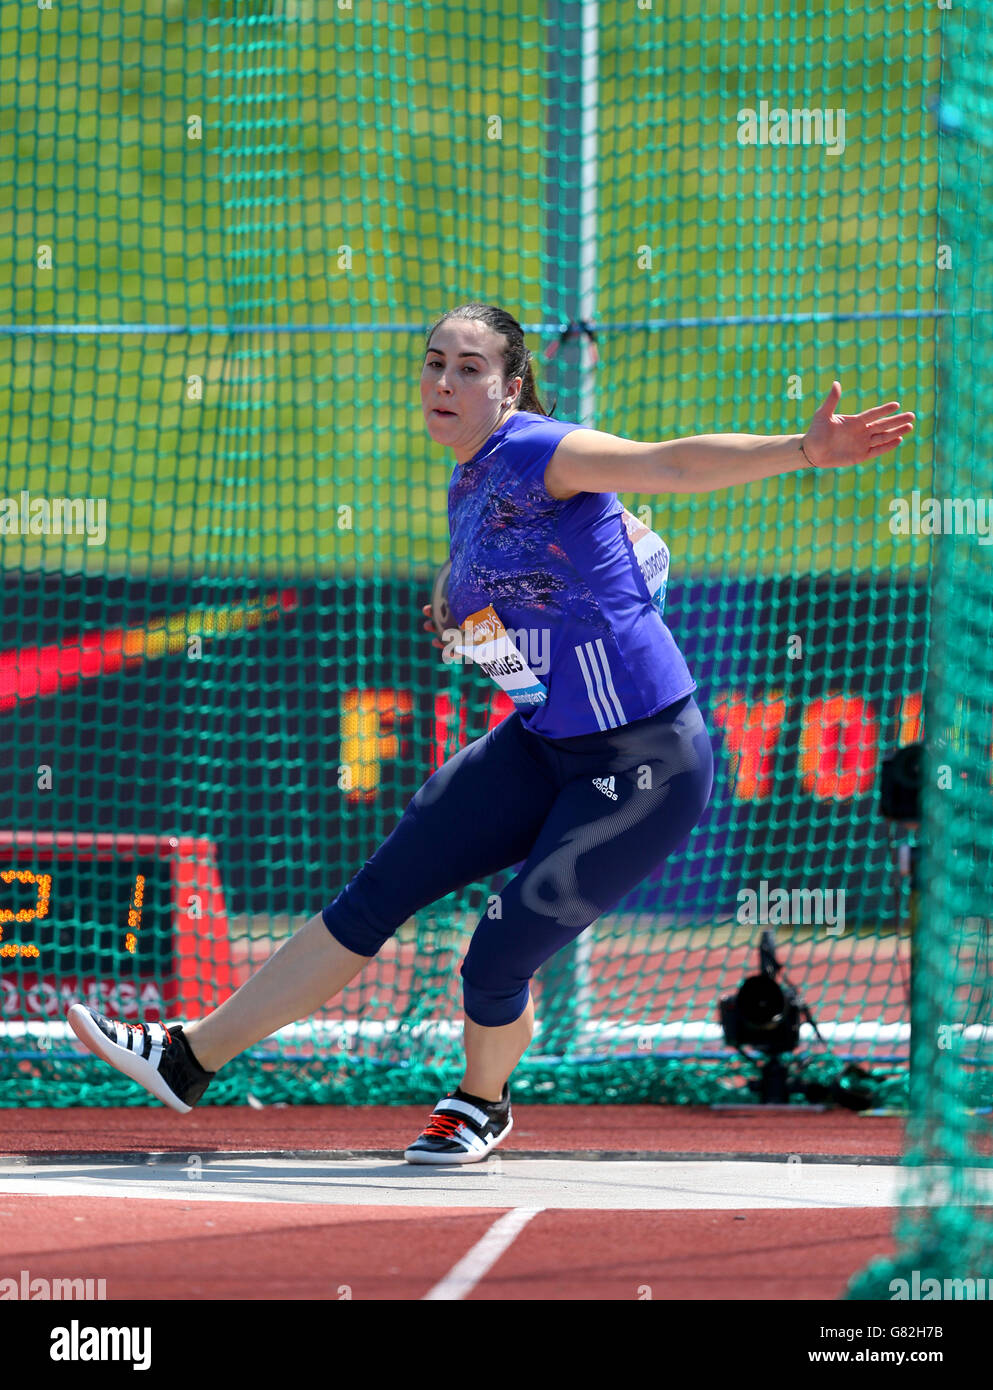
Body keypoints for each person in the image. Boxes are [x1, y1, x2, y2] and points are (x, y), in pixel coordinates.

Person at [66, 301, 915, 1163]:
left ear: (510, 388)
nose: (442, 381)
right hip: (542, 743)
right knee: (372, 898)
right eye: (434, 362)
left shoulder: (543, 449)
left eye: (468, 368)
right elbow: (519, 594)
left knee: (497, 953)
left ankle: (480, 1102)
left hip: (646, 759)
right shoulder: (466, 479)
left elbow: (669, 464)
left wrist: (803, 450)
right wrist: (459, 607)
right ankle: (187, 1057)